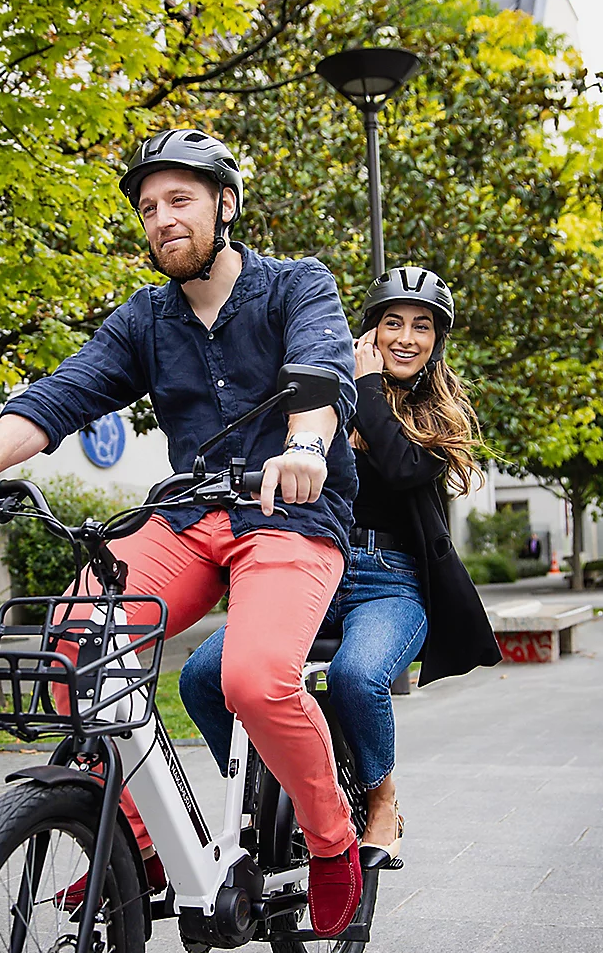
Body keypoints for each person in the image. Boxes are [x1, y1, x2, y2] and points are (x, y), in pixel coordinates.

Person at [0, 128, 365, 936]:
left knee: (254, 680)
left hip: (290, 515)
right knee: (72, 645)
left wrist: (306, 446)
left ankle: (333, 838)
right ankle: (141, 838)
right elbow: (64, 393)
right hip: (190, 516)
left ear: (224, 205)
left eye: (180, 200)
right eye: (148, 207)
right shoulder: (145, 320)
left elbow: (322, 371)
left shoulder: (296, 285)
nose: (161, 218)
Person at [179, 265, 502, 869]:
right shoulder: (328, 397)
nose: (406, 337)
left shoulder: (440, 416)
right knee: (201, 676)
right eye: (393, 323)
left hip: (390, 583)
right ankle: (268, 789)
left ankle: (383, 803)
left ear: (437, 341)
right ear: (370, 330)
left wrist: (368, 386)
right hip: (311, 569)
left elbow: (401, 469)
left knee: (357, 677)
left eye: (422, 327)